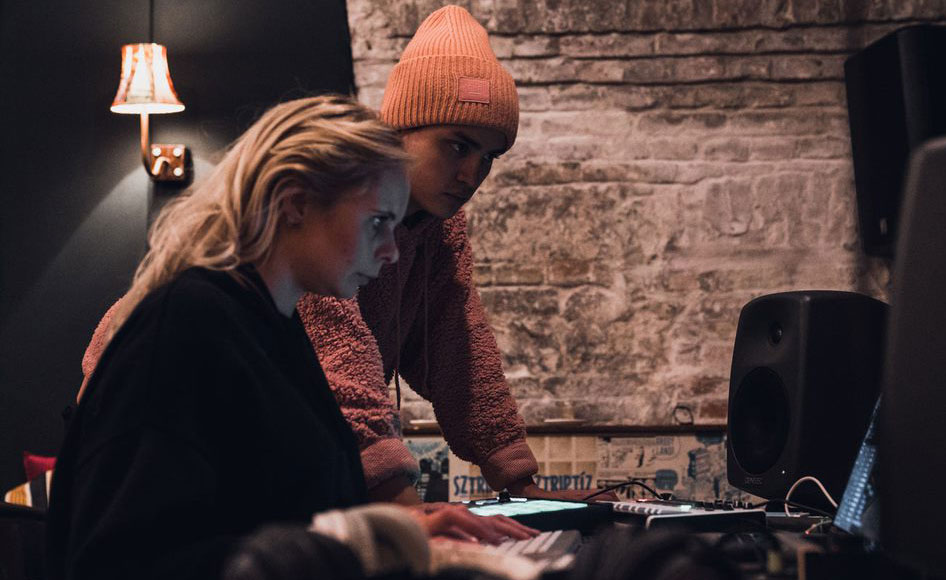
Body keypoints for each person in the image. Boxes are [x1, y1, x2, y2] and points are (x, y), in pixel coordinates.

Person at [79, 5, 615, 504]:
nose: (473, 175)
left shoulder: (429, 233)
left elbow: (459, 346)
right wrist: (403, 516)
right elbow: (343, 374)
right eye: (457, 144)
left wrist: (517, 482)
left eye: (489, 156)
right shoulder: (281, 268)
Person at [48, 95, 535, 580]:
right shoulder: (183, 326)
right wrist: (361, 541)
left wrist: (396, 529)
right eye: (378, 222)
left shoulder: (276, 328)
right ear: (295, 203)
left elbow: (283, 514)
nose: (391, 253)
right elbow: (117, 561)